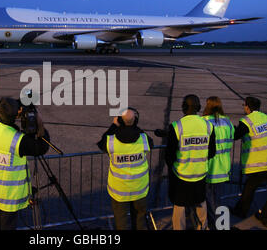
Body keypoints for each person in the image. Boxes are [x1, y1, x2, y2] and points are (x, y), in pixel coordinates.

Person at [0, 97, 50, 230]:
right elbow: (41, 147)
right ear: (18, 114)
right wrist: (40, 123)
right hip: (8, 198)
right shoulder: (18, 140)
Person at [231, 96, 267, 227]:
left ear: (247, 107)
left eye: (244, 105)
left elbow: (235, 135)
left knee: (250, 186)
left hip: (265, 163)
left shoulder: (246, 121)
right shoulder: (266, 117)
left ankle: (241, 211)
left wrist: (229, 127)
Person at [162, 94, 216, 230]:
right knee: (200, 202)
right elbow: (212, 152)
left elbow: (169, 155)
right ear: (198, 107)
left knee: (179, 205)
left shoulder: (177, 126)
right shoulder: (208, 126)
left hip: (181, 174)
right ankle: (203, 226)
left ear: (184, 107)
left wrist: (174, 166)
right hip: (200, 173)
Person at [97, 107, 153, 230]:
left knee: (121, 220)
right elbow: (151, 142)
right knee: (140, 220)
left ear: (120, 122)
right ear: (136, 122)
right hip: (139, 188)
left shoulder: (110, 141)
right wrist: (133, 124)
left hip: (119, 190)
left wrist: (113, 125)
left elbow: (101, 142)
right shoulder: (144, 139)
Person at [202, 96, 234, 230]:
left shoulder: (204, 122)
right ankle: (223, 225)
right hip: (223, 166)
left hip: (209, 166)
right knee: (219, 199)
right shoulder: (228, 122)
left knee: (208, 199)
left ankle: (213, 225)